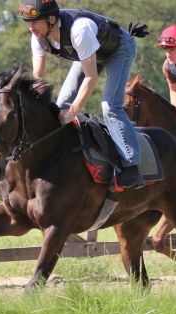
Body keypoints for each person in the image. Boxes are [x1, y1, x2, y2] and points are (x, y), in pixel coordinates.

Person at [18, 0, 148, 189]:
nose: (31, 28)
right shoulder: (38, 36)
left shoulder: (79, 30)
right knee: (61, 104)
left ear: (51, 19)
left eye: (35, 22)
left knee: (110, 106)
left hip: (119, 49)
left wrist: (74, 110)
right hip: (89, 52)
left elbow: (91, 77)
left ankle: (131, 165)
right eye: (28, 23)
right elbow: (38, 77)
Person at [151, 24, 176, 249]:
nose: (168, 53)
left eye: (172, 49)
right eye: (165, 49)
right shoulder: (169, 67)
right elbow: (175, 93)